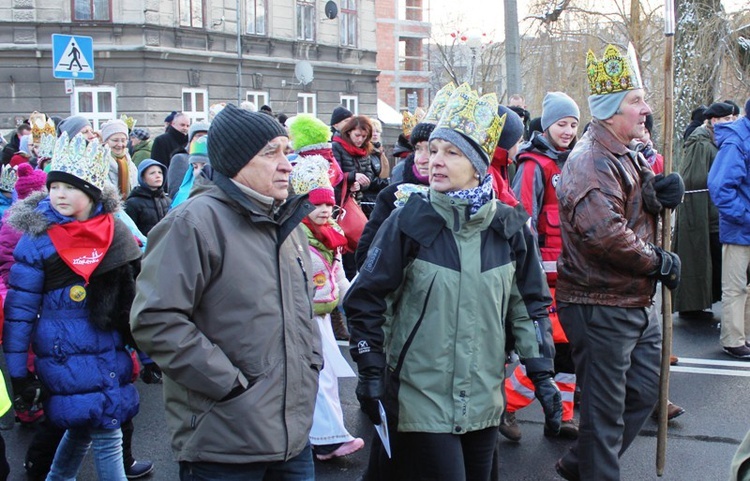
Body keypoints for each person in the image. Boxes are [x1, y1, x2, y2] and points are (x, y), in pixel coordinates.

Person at [345, 83, 560, 480]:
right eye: (433, 150)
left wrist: (541, 371)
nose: (434, 161)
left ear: (478, 166)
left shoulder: (508, 228)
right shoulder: (410, 221)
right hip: (419, 400)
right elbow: (367, 297)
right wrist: (371, 368)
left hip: (482, 400)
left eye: (452, 152)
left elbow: (526, 305)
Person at [130, 103, 321, 480]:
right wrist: (230, 386)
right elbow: (156, 320)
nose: (286, 164)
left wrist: (312, 362)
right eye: (271, 153)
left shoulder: (288, 221)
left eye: (287, 151)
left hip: (293, 437)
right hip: (224, 442)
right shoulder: (193, 223)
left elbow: (301, 310)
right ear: (236, 162)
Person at [553, 44, 684, 481]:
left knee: (645, 393)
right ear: (611, 111)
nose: (646, 109)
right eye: (635, 101)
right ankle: (595, 470)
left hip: (633, 300)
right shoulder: (589, 160)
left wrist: (660, 190)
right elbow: (603, 234)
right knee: (604, 416)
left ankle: (579, 464)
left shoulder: (624, 151)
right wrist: (658, 262)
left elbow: (635, 197)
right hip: (600, 303)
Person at [3, 132, 143, 481]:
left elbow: (134, 298)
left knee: (84, 425)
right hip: (64, 353)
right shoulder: (38, 242)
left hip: (108, 348)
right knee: (106, 427)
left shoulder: (115, 233)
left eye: (69, 188)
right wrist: (18, 373)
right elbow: (19, 313)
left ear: (92, 193)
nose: (59, 195)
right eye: (54, 188)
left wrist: (149, 351)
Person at [504, 91, 581, 441]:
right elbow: (524, 223)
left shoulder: (575, 160)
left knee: (567, 350)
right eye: (562, 124)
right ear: (548, 125)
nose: (568, 130)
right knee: (545, 351)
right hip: (542, 278)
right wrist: (530, 273)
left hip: (570, 276)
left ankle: (561, 416)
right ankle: (503, 405)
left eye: (573, 124)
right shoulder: (533, 165)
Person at [290, 156, 364, 461]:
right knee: (319, 377)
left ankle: (324, 437)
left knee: (326, 376)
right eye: (315, 204)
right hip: (304, 319)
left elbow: (338, 277)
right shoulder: (295, 237)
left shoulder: (331, 235)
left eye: (327, 205)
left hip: (323, 317)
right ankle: (327, 438)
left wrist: (359, 299)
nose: (323, 210)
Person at [673, 102, 735, 321]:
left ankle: (703, 301)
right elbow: (695, 180)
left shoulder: (712, 141)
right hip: (704, 214)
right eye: (727, 119)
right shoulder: (701, 142)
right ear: (715, 121)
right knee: (703, 258)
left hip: (713, 213)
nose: (731, 123)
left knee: (715, 262)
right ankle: (693, 305)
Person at [707, 98, 750, 360]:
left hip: (743, 222)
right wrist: (745, 217)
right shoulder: (737, 141)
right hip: (740, 228)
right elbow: (720, 186)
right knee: (735, 287)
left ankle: (744, 335)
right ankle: (733, 339)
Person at [125, 159, 170, 235]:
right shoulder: (133, 203)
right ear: (142, 178)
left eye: (160, 172)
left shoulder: (168, 201)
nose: (158, 176)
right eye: (152, 173)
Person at [166, 121, 209, 199]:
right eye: (199, 135)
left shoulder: (213, 159)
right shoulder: (180, 159)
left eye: (207, 135)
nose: (203, 139)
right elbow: (175, 190)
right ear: (191, 139)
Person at [101, 119, 139, 200]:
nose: (120, 144)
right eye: (115, 140)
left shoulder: (129, 162)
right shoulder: (99, 163)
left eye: (123, 140)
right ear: (105, 141)